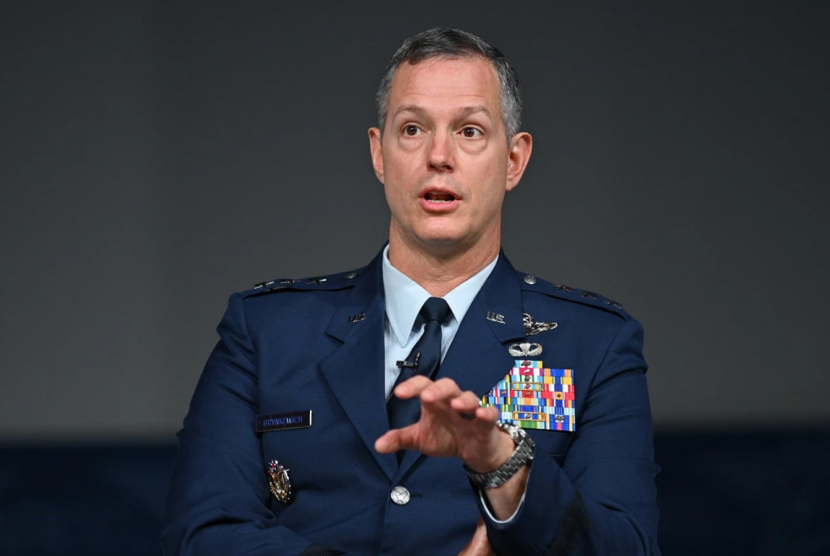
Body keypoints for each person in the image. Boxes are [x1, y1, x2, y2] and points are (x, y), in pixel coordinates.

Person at [161, 27, 660, 556]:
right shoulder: (266, 332)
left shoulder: (593, 344)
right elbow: (200, 533)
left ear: (513, 161)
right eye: (413, 129)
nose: (439, 155)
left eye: (470, 131)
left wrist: (505, 466)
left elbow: (627, 547)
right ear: (379, 154)